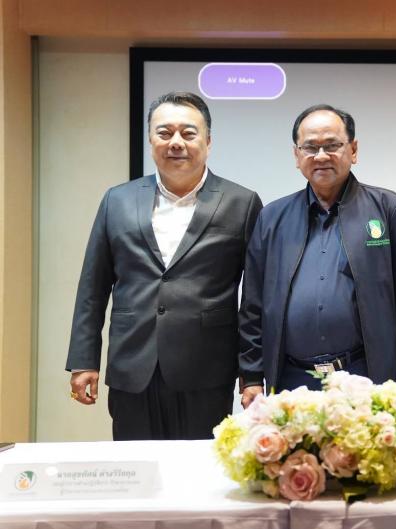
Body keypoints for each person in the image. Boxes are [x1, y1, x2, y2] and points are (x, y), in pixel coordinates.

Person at [66, 91, 262, 440]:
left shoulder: (242, 202)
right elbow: (92, 287)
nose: (176, 143)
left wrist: (252, 374)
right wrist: (84, 360)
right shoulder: (117, 200)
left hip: (206, 369)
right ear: (150, 140)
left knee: (201, 469)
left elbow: (255, 299)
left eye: (188, 133)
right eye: (164, 133)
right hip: (132, 365)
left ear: (208, 141)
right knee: (134, 465)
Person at [238, 104, 396, 407]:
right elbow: (253, 305)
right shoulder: (271, 218)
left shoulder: (389, 210)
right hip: (291, 382)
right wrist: (251, 376)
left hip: (366, 378)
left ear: (353, 150)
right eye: (310, 147)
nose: (321, 156)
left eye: (332, 145)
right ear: (296, 155)